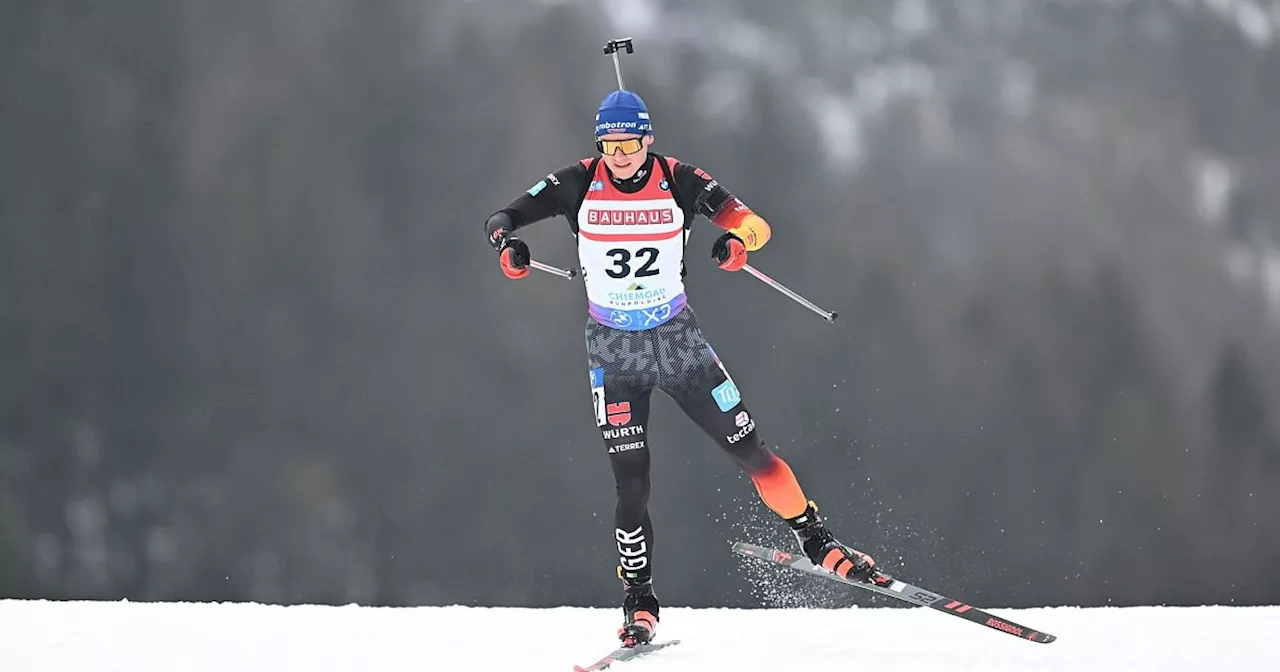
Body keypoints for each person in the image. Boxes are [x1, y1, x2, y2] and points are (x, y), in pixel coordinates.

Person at [482, 89, 877, 647]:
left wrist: (737, 240)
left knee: (752, 453)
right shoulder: (576, 182)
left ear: (649, 139)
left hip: (677, 342)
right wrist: (508, 247)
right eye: (610, 145)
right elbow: (503, 217)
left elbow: (755, 224)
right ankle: (639, 602)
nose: (620, 156)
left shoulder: (679, 179)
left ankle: (818, 541)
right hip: (614, 350)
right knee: (632, 484)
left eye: (630, 144)